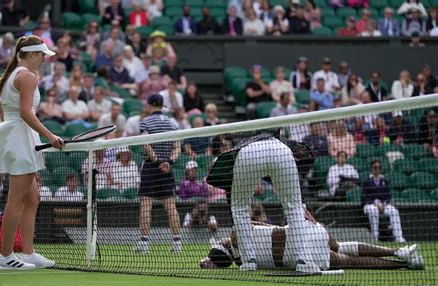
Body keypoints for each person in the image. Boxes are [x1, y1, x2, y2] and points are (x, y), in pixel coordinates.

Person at [0, 35, 63, 270]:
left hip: (20, 138)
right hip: (21, 139)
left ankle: (28, 252)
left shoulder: (14, 75)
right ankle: (5, 256)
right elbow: (26, 112)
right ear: (32, 54)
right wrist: (50, 136)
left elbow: (13, 114)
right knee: (15, 200)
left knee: (32, 198)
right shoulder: (26, 76)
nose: (45, 59)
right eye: (42, 54)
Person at [206, 130, 320, 272]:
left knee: (240, 209)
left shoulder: (244, 144)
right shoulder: (285, 144)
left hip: (248, 155)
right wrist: (300, 206)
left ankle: (249, 262)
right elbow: (305, 155)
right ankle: (303, 260)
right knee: (294, 208)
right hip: (281, 153)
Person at [200, 210, 424, 270]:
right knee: (340, 245)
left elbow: (218, 258)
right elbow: (267, 226)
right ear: (224, 244)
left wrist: (211, 261)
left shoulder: (242, 263)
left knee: (349, 260)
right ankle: (397, 252)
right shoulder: (236, 232)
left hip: (298, 257)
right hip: (301, 235)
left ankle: (403, 263)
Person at [135, 93, 182, 254]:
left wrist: (157, 161)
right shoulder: (172, 123)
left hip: (151, 167)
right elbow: (177, 147)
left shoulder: (145, 122)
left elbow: (145, 144)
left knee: (146, 206)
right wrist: (168, 162)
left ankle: (144, 244)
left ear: (149, 105)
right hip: (167, 168)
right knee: (171, 207)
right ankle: (177, 244)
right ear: (162, 106)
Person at [362, 159, 406, 243]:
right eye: (375, 167)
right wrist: (375, 204)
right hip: (370, 205)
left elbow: (388, 195)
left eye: (379, 167)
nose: (377, 169)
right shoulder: (366, 181)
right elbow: (364, 197)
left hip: (383, 205)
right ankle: (375, 237)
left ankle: (398, 237)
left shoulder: (385, 181)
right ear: (371, 168)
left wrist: (384, 204)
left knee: (394, 211)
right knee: (373, 210)